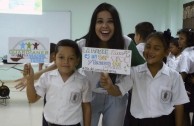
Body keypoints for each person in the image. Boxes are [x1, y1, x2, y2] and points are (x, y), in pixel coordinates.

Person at [15, 2, 145, 126]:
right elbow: (64, 63)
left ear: (116, 24)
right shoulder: (83, 44)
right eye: (100, 21)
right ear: (93, 24)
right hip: (90, 95)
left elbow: (140, 68)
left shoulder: (126, 43)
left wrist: (120, 86)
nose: (104, 26)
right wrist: (36, 75)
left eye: (110, 21)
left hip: (117, 97)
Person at [107, 31, 189, 126]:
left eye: (156, 48)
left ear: (166, 52)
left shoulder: (174, 76)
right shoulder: (134, 72)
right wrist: (109, 86)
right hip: (138, 122)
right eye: (148, 47)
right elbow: (118, 91)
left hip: (164, 122)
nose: (150, 51)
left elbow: (179, 105)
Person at [23, 39, 92, 126]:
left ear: (77, 61)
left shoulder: (83, 81)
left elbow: (86, 107)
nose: (66, 62)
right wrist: (30, 80)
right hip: (49, 124)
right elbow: (32, 99)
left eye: (71, 58)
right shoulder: (47, 77)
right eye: (61, 57)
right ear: (54, 58)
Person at [176, 28, 194, 126]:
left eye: (182, 38)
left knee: (184, 113)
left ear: (189, 40)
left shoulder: (186, 54)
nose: (179, 40)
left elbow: (183, 74)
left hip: (188, 85)